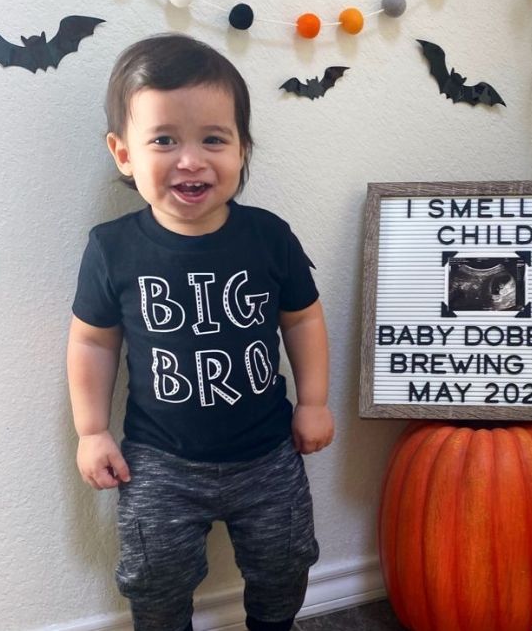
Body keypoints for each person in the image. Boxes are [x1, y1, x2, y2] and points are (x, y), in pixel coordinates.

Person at [66, 33, 334, 631]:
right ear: (123, 153)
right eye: (164, 140)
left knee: (285, 563)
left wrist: (313, 401)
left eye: (214, 139)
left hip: (268, 454)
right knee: (154, 581)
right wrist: (90, 431)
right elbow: (91, 340)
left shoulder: (268, 237)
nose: (190, 159)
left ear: (242, 150)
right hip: (158, 462)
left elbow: (304, 317)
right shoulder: (112, 249)